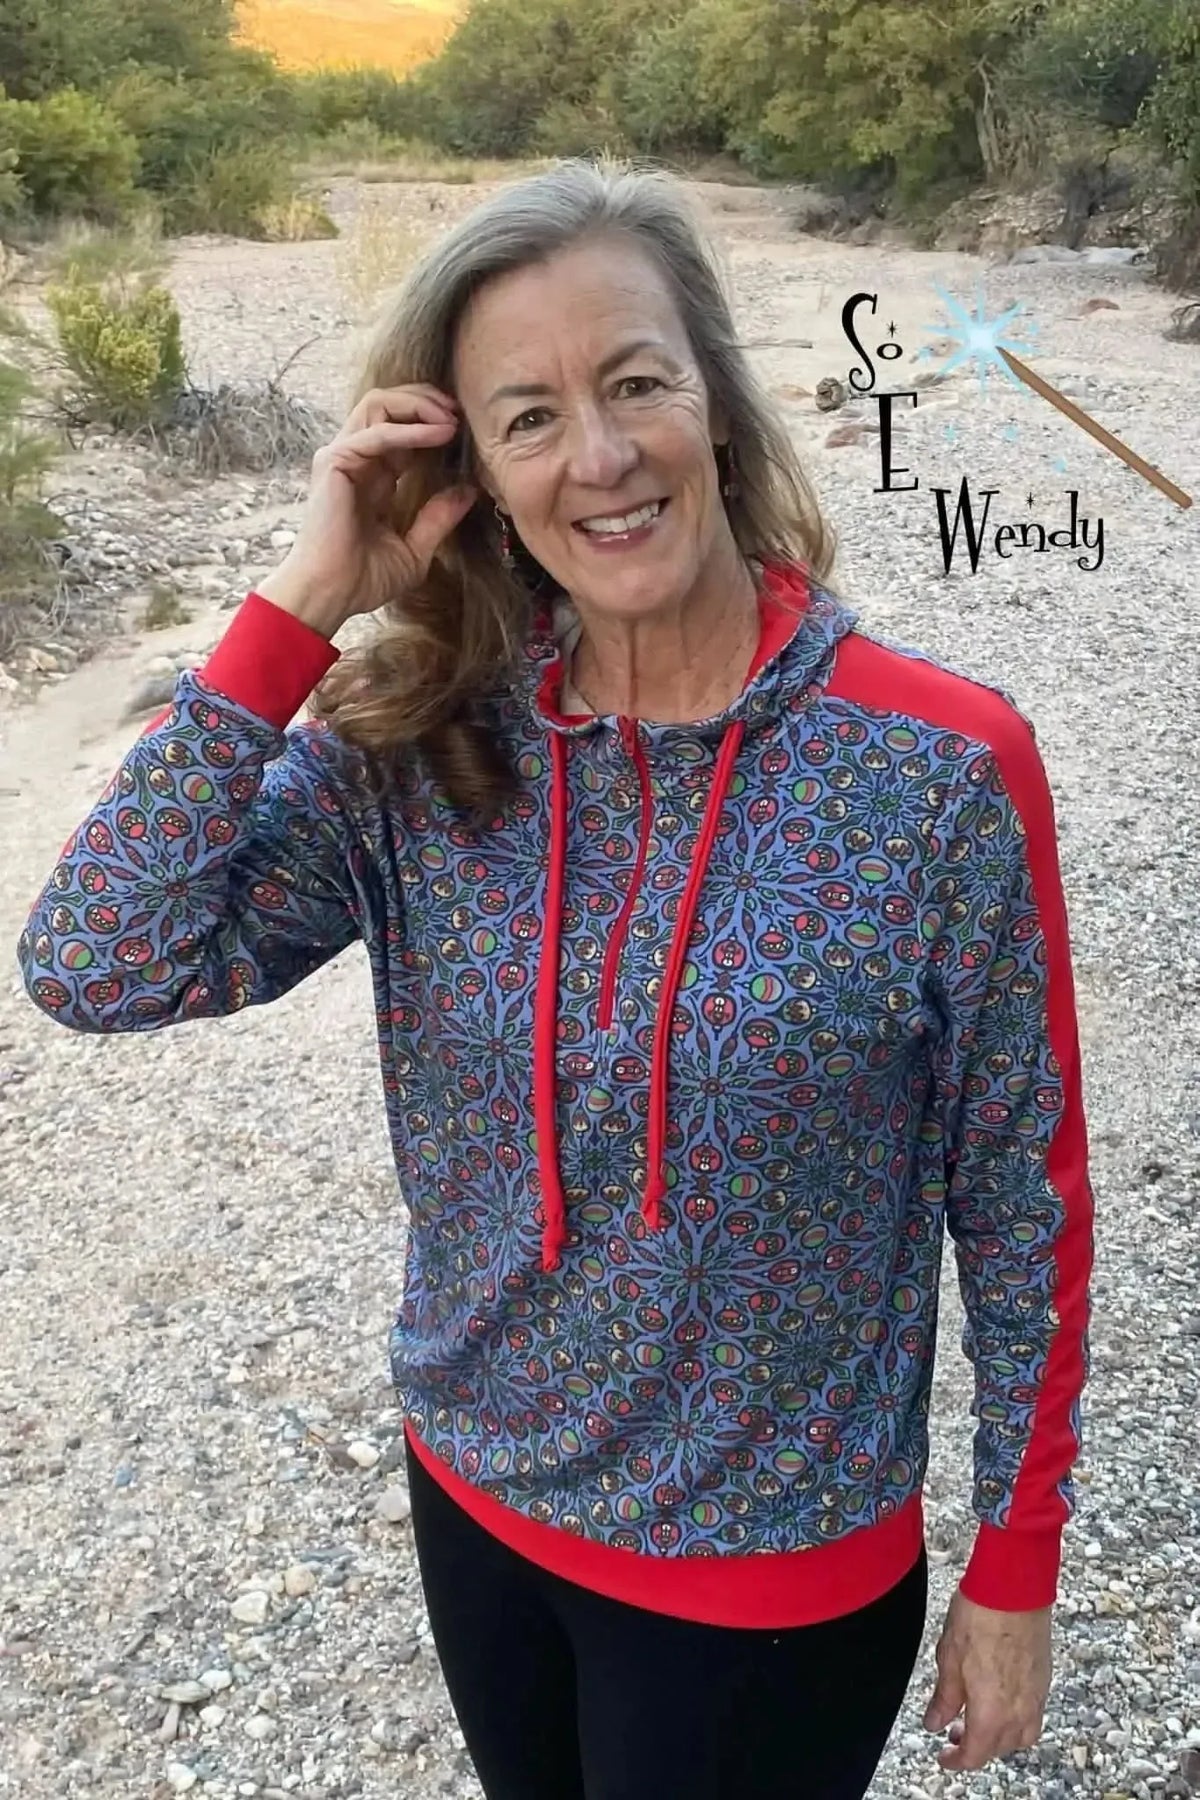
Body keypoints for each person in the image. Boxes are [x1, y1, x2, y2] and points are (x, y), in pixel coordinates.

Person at [17, 156, 1094, 1800]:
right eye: (527, 416)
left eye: (636, 383)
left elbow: (1020, 1185)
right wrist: (306, 602)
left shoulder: (939, 766)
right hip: (478, 1501)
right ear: (469, 474)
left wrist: (1016, 1562)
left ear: (716, 406)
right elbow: (97, 965)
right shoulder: (424, 742)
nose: (599, 455)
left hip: (770, 1571)